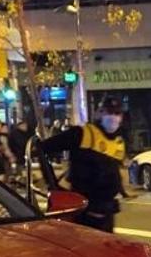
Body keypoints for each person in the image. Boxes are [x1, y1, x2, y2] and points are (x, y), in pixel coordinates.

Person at [39, 98, 127, 233]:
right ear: (99, 113)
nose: (113, 117)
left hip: (107, 211)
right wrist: (52, 184)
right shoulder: (82, 134)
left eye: (117, 113)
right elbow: (43, 148)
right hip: (83, 211)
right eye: (109, 112)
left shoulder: (118, 142)